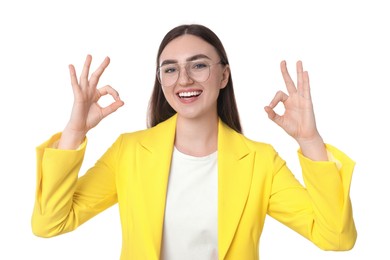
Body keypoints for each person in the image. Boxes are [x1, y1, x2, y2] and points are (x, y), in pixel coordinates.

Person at [31, 24, 357, 260]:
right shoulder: (129, 152)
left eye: (199, 65)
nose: (184, 79)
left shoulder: (260, 161)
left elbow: (335, 238)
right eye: (170, 69)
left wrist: (310, 140)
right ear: (161, 81)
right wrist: (74, 132)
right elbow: (50, 223)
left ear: (223, 76)